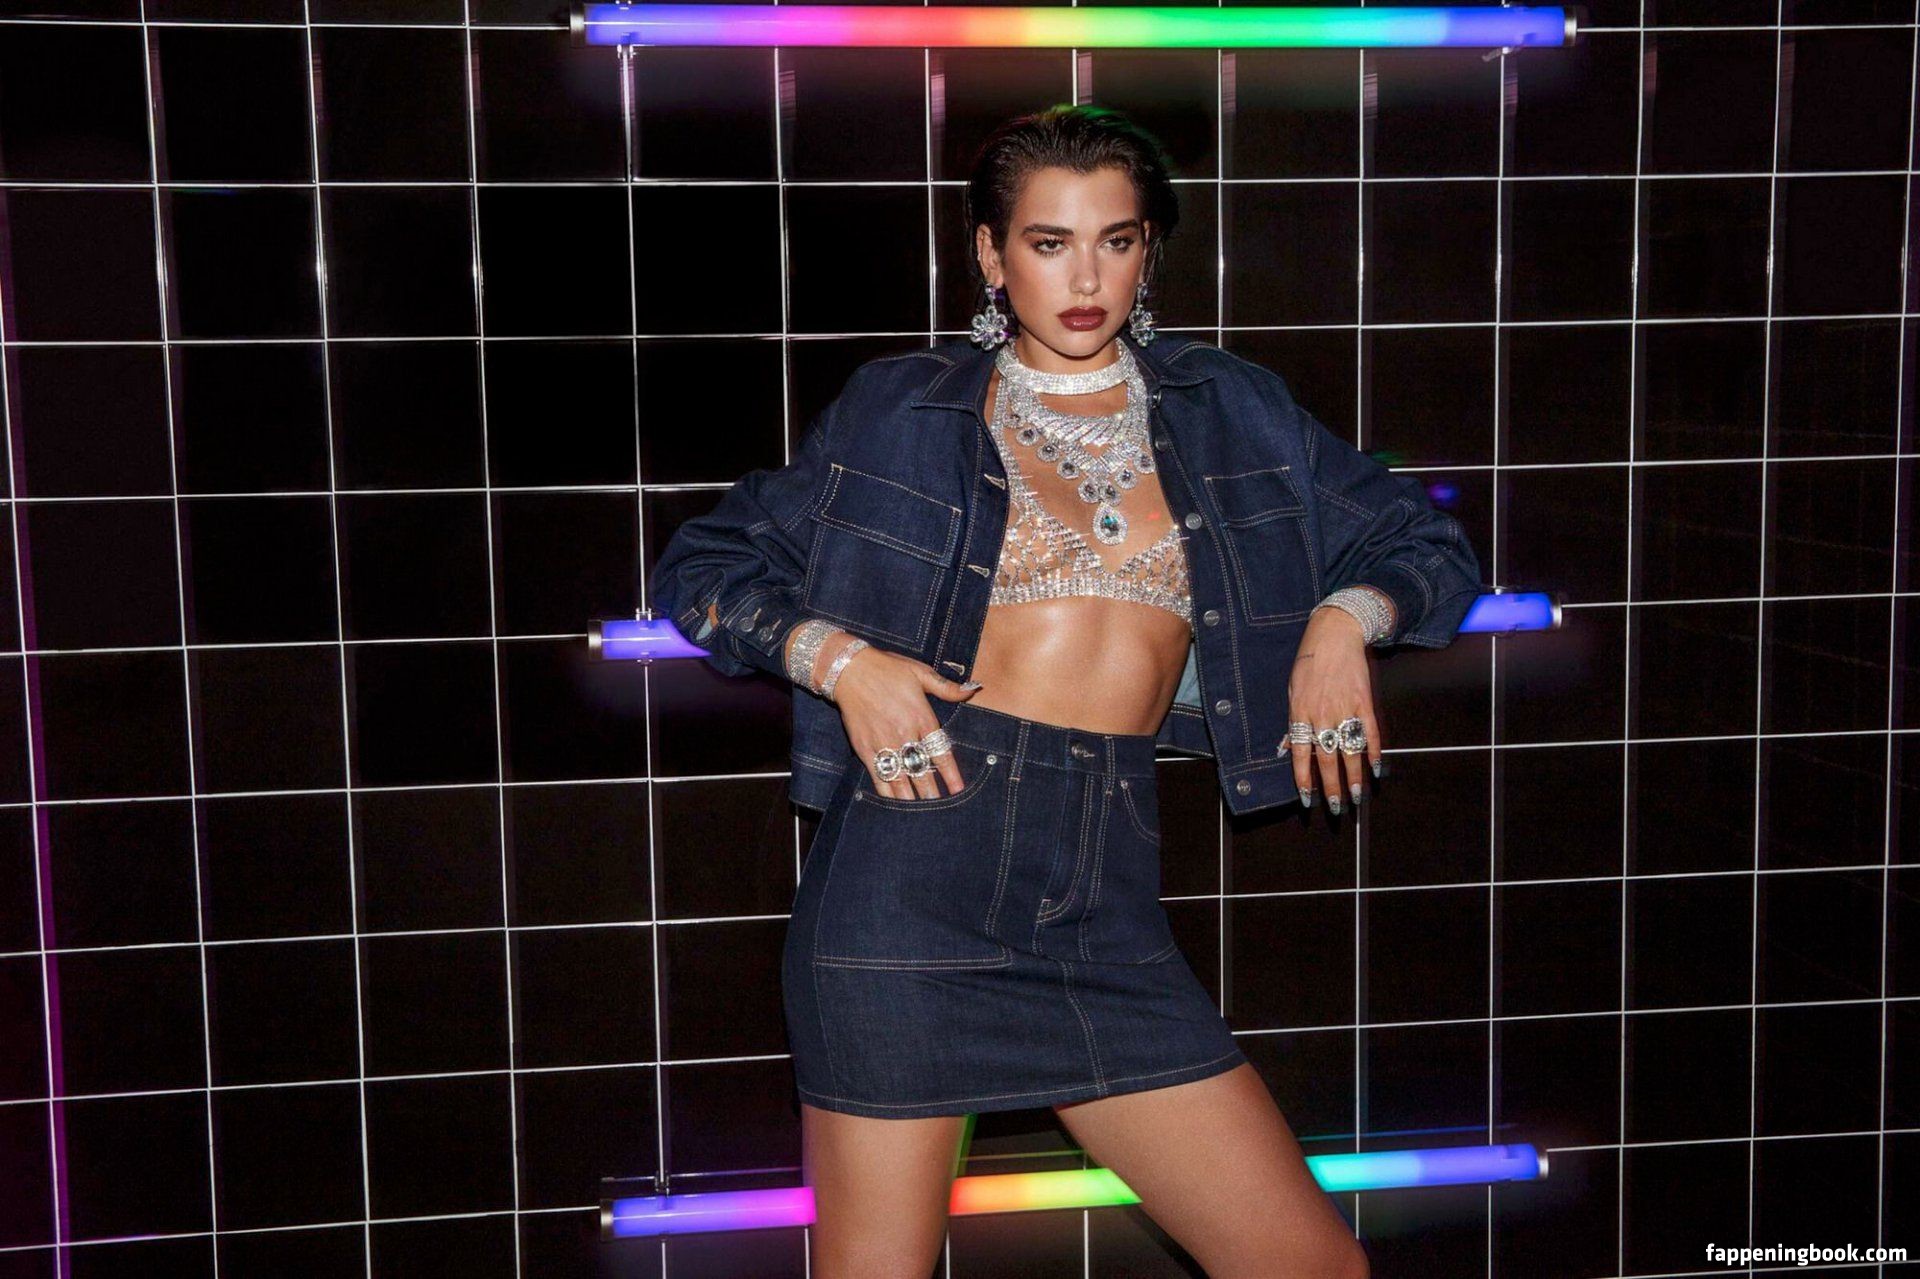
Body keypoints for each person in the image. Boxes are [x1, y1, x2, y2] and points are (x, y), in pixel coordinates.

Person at [650, 104, 1480, 1279]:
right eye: (1049, 243)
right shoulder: (900, 409)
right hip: (908, 878)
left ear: (1148, 251)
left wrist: (1346, 620)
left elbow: (1425, 545)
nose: (1086, 279)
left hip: (1105, 886)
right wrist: (843, 664)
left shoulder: (1232, 406)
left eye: (1116, 241)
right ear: (991, 255)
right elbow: (705, 567)